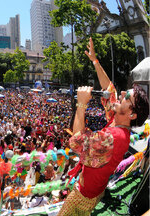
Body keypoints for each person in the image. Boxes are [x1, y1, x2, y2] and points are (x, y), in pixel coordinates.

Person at [58, 37, 149, 216]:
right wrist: (95, 61)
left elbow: (75, 141)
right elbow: (109, 88)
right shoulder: (118, 120)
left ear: (132, 114)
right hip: (92, 189)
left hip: (83, 197)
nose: (122, 93)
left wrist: (81, 104)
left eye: (127, 96)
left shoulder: (115, 137)